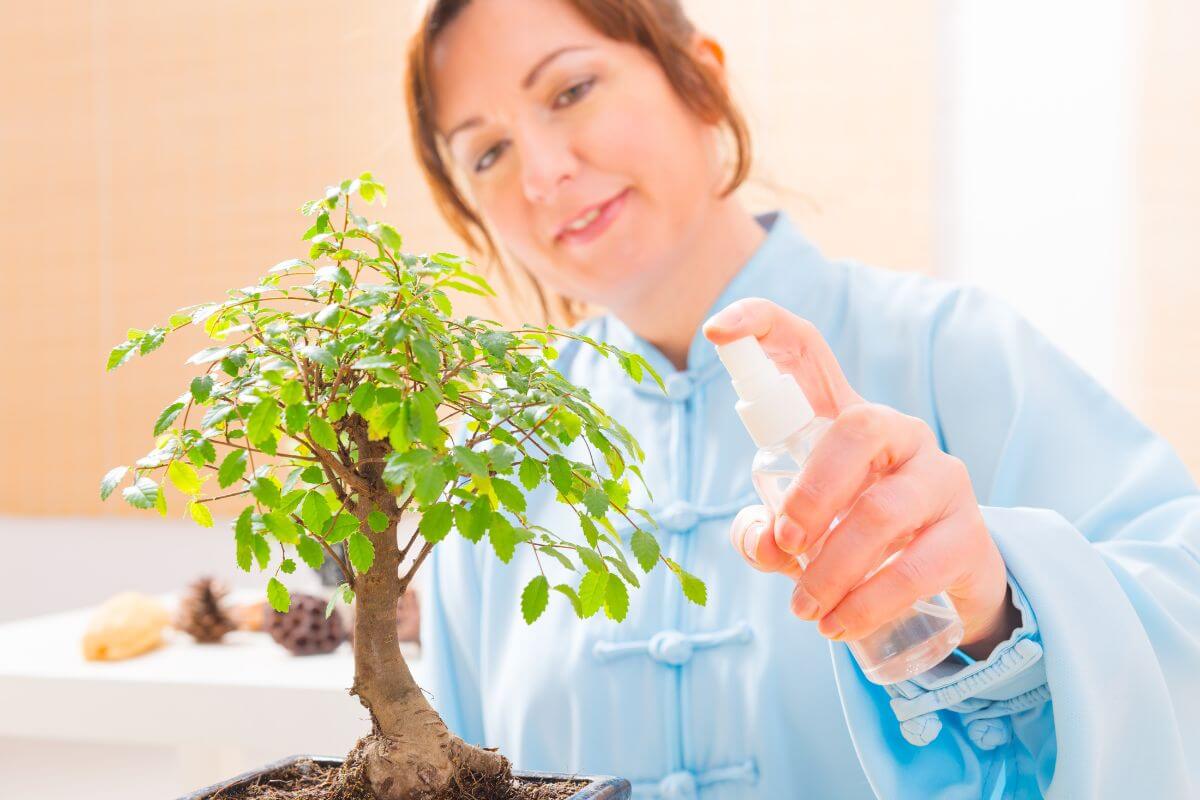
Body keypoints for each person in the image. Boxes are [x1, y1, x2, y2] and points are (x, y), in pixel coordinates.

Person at [403, 0, 1200, 796]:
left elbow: (1183, 600)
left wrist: (1003, 602)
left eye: (572, 90)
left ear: (702, 81)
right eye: (487, 152)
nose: (542, 173)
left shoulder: (954, 350)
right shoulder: (492, 471)